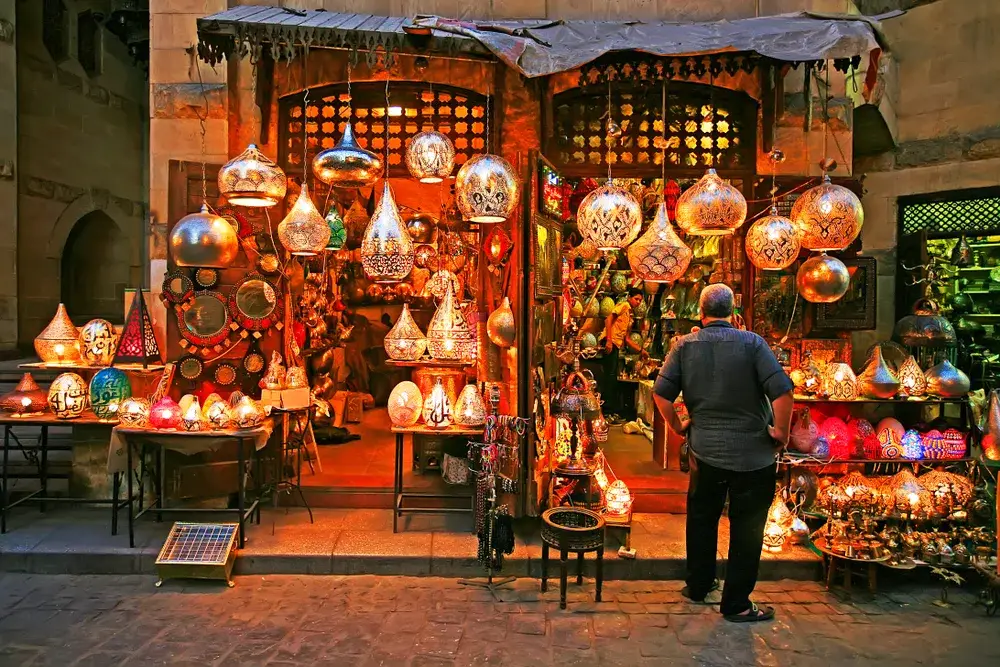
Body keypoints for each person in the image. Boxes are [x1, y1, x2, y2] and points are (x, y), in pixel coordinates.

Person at [652, 284, 793, 623]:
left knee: (702, 519)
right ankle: (737, 604)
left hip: (706, 451)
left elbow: (661, 394)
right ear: (733, 311)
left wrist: (678, 427)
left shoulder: (685, 346)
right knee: (747, 528)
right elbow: (783, 391)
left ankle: (699, 585)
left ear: (701, 312)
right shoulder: (753, 343)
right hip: (754, 456)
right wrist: (781, 433)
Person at [601, 287, 644, 419]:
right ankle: (607, 412)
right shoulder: (624, 305)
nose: (638, 302)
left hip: (616, 344)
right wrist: (608, 340)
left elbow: (627, 339)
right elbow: (608, 319)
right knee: (610, 377)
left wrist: (641, 351)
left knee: (612, 378)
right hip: (610, 342)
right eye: (636, 299)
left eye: (640, 301)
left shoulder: (630, 315)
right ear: (629, 297)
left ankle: (610, 410)